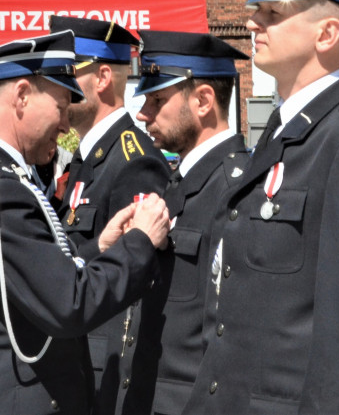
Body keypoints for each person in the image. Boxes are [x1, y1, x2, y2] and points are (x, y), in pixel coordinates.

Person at [186, 0, 339, 414]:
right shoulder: (285, 129)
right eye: (257, 10)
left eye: (273, 13)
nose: (252, 22)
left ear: (326, 34)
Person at [0, 31, 171, 415]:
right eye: (60, 105)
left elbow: (29, 274)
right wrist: (139, 241)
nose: (64, 123)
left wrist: (98, 249)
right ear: (21, 95)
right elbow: (68, 304)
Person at [121, 30, 251, 414]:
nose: (143, 112)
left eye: (157, 99)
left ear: (204, 100)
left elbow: (230, 334)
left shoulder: (235, 188)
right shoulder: (179, 182)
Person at [48, 15, 171, 411]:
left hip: (109, 371)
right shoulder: (86, 158)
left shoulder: (133, 160)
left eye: (66, 74)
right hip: (80, 356)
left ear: (102, 78)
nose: (56, 88)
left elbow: (133, 280)